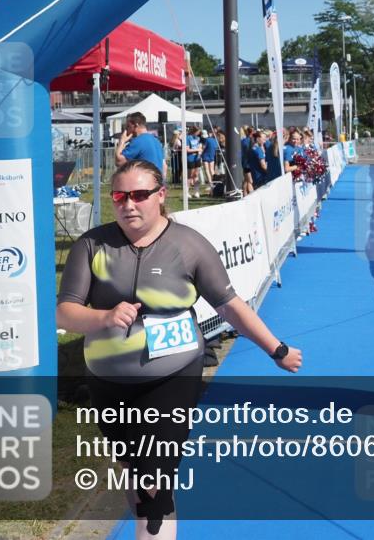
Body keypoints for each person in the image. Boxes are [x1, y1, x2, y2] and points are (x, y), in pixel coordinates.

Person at [57, 160, 302, 539]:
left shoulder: (188, 245)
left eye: (139, 195)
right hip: (109, 379)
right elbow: (66, 311)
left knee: (155, 478)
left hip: (173, 375)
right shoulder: (92, 244)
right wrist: (103, 318)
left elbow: (230, 305)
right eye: (120, 196)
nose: (129, 205)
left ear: (160, 196)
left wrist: (276, 348)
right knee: (136, 474)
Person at [116, 113, 167, 181]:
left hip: (144, 184)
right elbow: (164, 166)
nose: (126, 130)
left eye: (128, 126)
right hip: (157, 184)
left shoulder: (138, 141)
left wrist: (121, 141)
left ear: (135, 125)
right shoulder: (156, 140)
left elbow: (119, 161)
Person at [184, 127, 202, 199]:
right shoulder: (188, 138)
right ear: (194, 131)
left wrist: (200, 150)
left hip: (197, 158)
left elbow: (199, 146)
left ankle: (196, 192)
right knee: (190, 176)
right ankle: (186, 192)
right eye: (197, 132)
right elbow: (187, 149)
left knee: (196, 175)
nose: (198, 133)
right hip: (190, 159)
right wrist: (197, 149)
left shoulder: (197, 138)